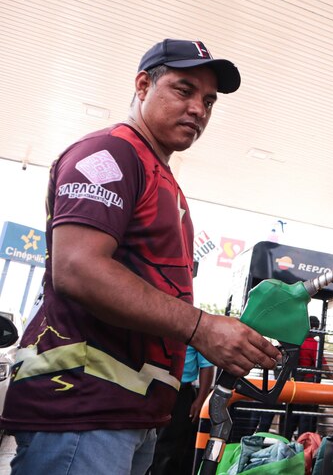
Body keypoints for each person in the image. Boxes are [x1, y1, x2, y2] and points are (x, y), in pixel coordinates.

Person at [0, 39, 282, 475]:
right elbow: (78, 267)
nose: (199, 110)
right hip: (82, 410)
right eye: (183, 90)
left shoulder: (158, 175)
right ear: (143, 84)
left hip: (127, 415)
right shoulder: (111, 154)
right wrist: (202, 327)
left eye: (208, 101)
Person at [150, 345, 215, 475]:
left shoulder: (194, 329)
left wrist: (200, 400)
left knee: (172, 449)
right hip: (151, 391)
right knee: (150, 445)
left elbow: (207, 365)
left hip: (181, 394)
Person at [284, 316, 329, 439]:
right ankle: (303, 444)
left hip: (293, 384)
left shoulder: (296, 340)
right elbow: (321, 364)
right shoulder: (313, 344)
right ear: (315, 328)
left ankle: (285, 441)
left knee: (290, 415)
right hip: (309, 385)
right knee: (306, 417)